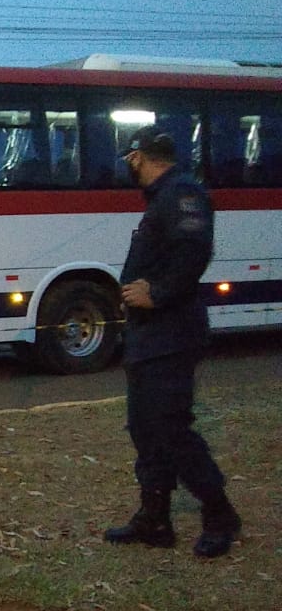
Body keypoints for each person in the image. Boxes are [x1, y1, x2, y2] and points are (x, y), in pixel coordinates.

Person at [104, 125, 240, 559]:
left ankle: (220, 514)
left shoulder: (182, 194)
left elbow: (193, 253)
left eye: (130, 160)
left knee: (171, 429)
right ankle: (155, 519)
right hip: (149, 337)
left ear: (138, 157)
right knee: (145, 429)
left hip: (171, 335)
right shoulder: (162, 198)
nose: (129, 166)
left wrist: (156, 294)